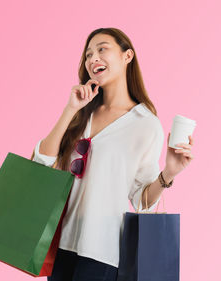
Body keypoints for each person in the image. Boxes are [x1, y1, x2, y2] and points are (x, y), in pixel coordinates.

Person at [31, 27, 194, 281]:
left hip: (102, 253)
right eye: (88, 55)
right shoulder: (82, 111)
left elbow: (141, 200)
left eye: (102, 49)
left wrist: (168, 173)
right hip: (60, 247)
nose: (93, 58)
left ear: (127, 56)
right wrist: (70, 109)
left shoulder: (145, 123)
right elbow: (41, 162)